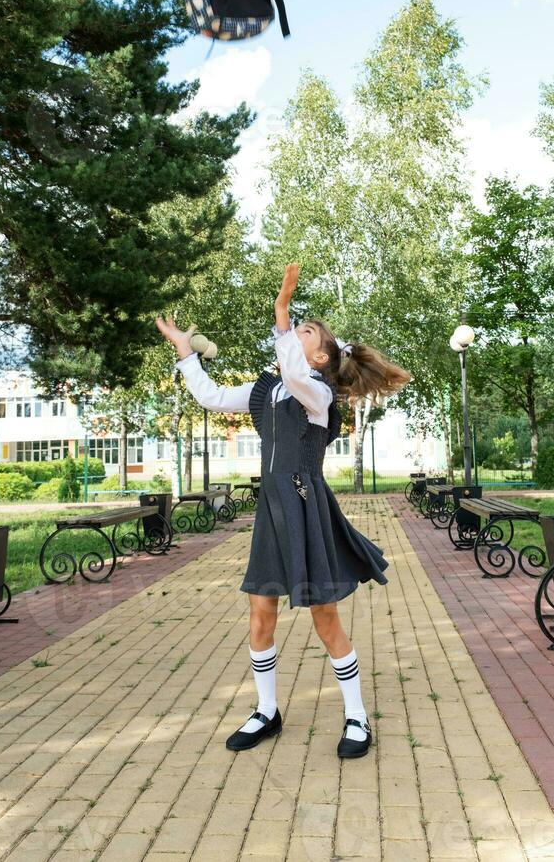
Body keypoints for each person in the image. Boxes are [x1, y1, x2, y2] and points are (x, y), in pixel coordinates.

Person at [155, 263, 410, 759]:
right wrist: (183, 350)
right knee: (260, 614)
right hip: (272, 513)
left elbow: (293, 371)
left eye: (305, 331)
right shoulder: (263, 390)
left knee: (324, 617)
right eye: (295, 327)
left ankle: (357, 716)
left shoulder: (318, 394)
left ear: (320, 356)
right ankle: (267, 711)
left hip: (305, 509)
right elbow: (208, 395)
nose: (296, 331)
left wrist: (281, 311)